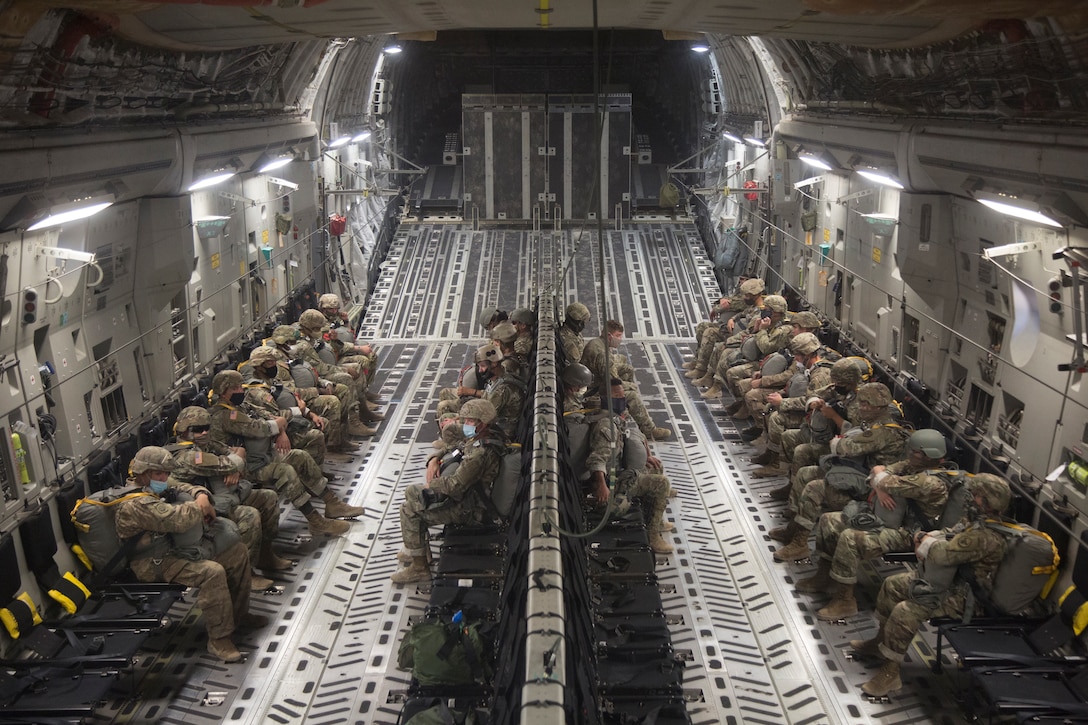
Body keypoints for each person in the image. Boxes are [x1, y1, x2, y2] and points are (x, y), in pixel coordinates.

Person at [850, 474, 1011, 697]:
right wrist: (927, 536)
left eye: (976, 496)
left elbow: (944, 555)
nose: (971, 499)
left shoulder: (986, 537)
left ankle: (890, 673)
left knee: (905, 611)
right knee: (892, 585)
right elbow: (950, 534)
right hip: (944, 582)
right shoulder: (974, 522)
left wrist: (926, 544)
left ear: (988, 502)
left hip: (963, 599)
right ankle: (881, 643)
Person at [114, 446, 267, 663]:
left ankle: (239, 615)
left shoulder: (153, 488)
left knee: (237, 552)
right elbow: (177, 519)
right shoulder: (135, 504)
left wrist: (200, 493)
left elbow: (181, 486)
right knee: (212, 572)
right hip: (151, 563)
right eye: (159, 474)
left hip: (171, 551)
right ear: (143, 474)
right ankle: (219, 640)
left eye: (166, 474)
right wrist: (201, 505)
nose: (164, 478)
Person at [798, 429, 953, 620]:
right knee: (828, 520)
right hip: (889, 520)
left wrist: (881, 482)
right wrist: (880, 487)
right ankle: (825, 577)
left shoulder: (931, 482)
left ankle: (845, 601)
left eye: (918, 453)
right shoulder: (913, 467)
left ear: (933, 456)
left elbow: (883, 478)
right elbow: (878, 471)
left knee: (851, 538)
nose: (912, 455)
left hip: (909, 533)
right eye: (912, 451)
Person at [207, 370, 360, 537]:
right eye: (235, 388)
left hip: (261, 455)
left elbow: (270, 415)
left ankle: (332, 503)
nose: (241, 391)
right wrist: (277, 424)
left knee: (299, 457)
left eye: (240, 386)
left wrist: (280, 429)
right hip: (243, 467)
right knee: (285, 471)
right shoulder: (225, 414)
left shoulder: (240, 407)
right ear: (224, 391)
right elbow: (260, 428)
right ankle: (315, 521)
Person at [772, 382, 910, 562]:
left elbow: (845, 447)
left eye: (867, 404)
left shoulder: (883, 431)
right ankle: (794, 527)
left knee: (815, 488)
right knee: (806, 473)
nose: (862, 407)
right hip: (861, 473)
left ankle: (800, 544)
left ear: (880, 406)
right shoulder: (872, 422)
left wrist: (838, 443)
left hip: (870, 488)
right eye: (862, 403)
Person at [170, 406, 295, 589]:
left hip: (225, 496)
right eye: (197, 429)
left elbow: (238, 451)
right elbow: (231, 460)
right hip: (205, 508)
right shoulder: (188, 455)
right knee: (249, 515)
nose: (204, 432)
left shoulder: (205, 444)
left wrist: (234, 466)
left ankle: (265, 555)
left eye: (207, 427)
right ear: (183, 431)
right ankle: (247, 574)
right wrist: (234, 464)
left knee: (267, 497)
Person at [391, 399, 506, 584]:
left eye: (470, 421)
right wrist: (435, 458)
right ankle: (420, 551)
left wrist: (433, 484)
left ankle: (420, 569)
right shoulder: (487, 435)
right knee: (413, 492)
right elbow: (458, 447)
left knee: (409, 509)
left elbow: (454, 486)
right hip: (468, 497)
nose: (465, 424)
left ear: (482, 423)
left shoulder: (480, 453)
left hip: (469, 509)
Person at [585, 379, 674, 554]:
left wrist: (645, 454)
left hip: (621, 470)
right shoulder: (606, 426)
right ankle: (653, 535)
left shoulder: (616, 418)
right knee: (661, 483)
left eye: (622, 395)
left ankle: (654, 518)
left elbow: (633, 434)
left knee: (655, 467)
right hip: (615, 484)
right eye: (616, 396)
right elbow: (597, 460)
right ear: (605, 398)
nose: (622, 399)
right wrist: (603, 487)